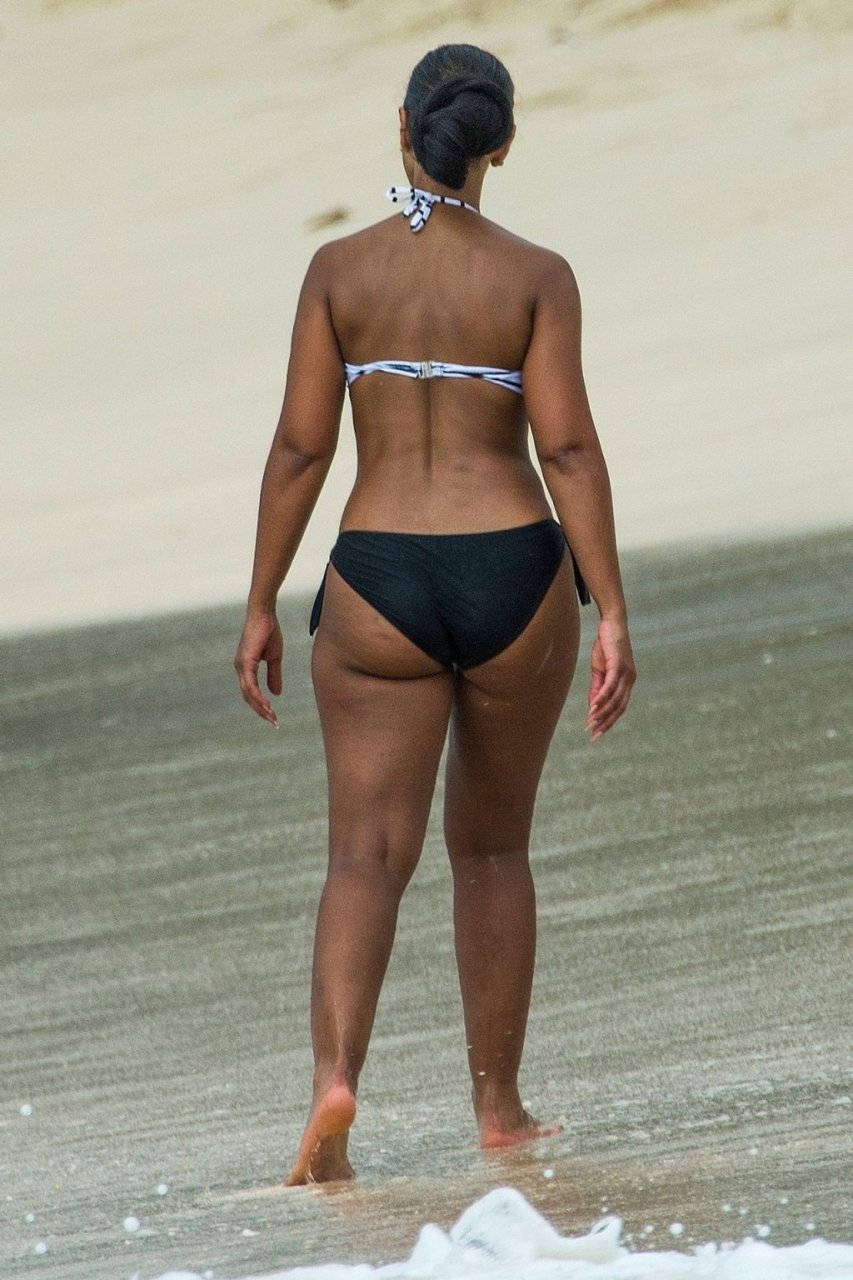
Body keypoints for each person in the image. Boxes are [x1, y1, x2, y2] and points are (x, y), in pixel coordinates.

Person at [234, 43, 636, 1186]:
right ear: (499, 146)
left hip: (378, 580)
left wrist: (261, 599)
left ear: (403, 127)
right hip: (512, 573)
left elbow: (300, 447)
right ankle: (498, 1109)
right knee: (492, 847)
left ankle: (333, 1083)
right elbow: (567, 448)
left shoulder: (338, 270)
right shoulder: (536, 276)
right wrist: (610, 607)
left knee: (364, 855)